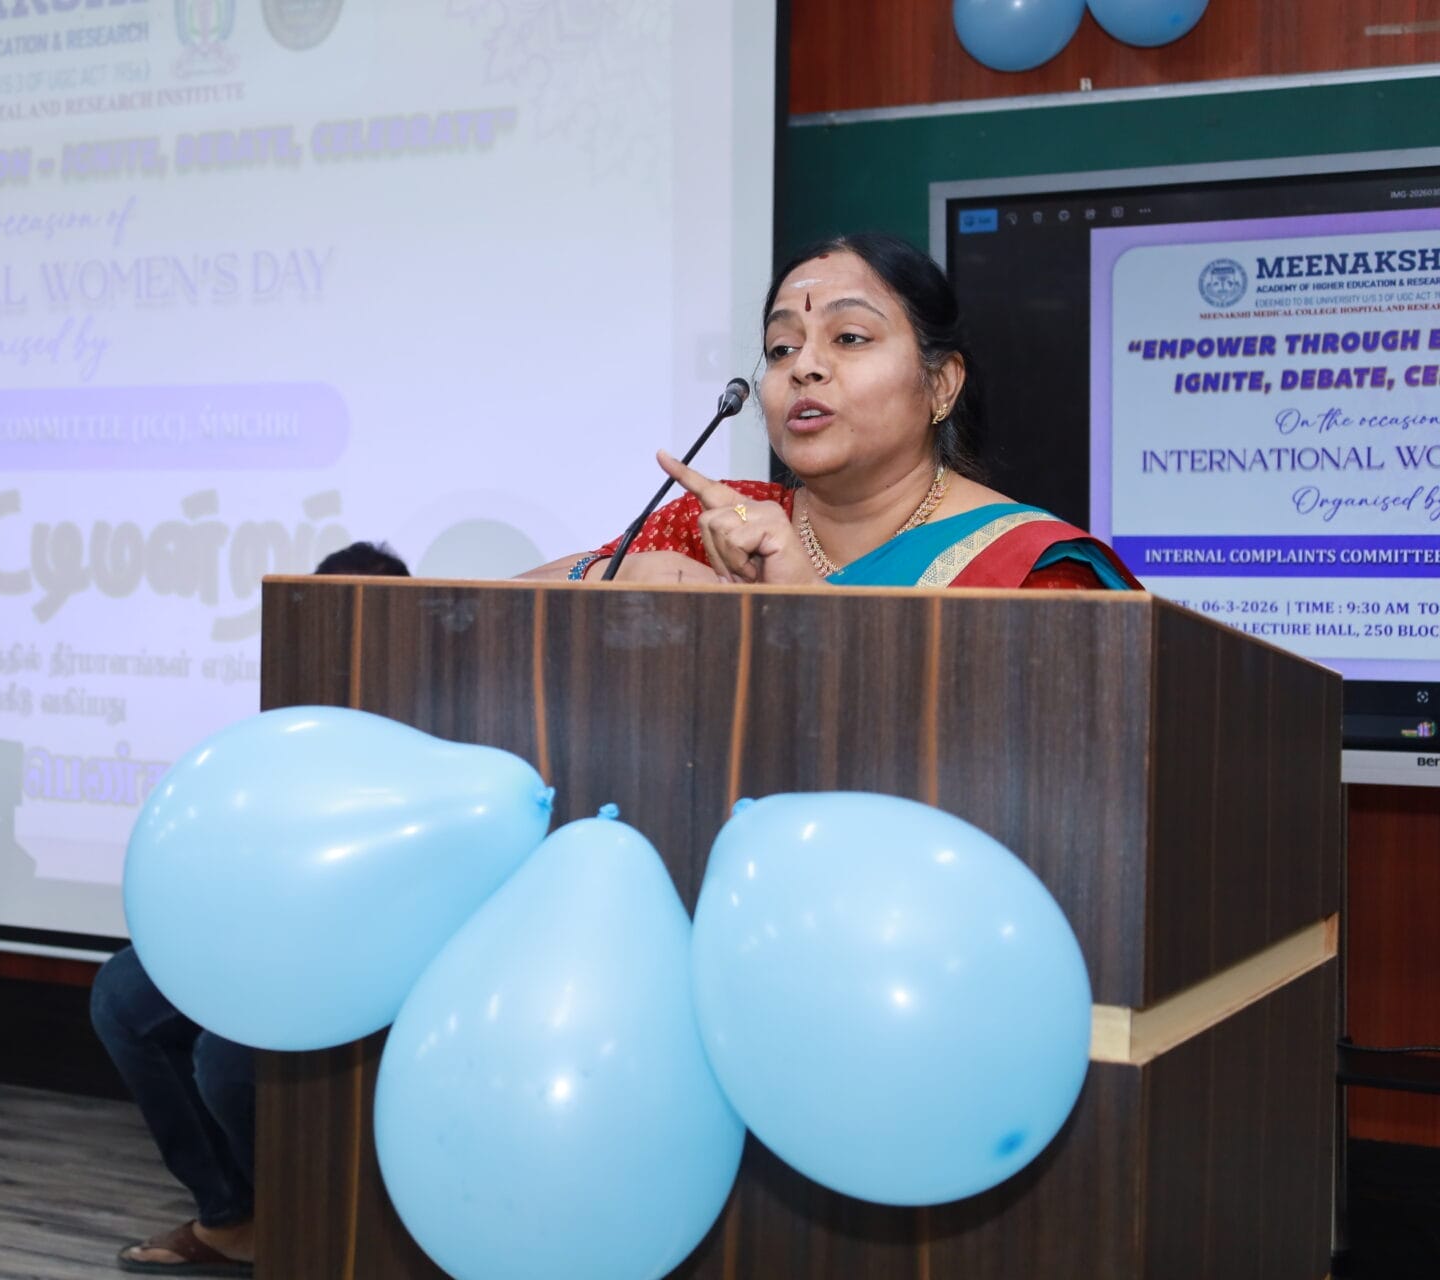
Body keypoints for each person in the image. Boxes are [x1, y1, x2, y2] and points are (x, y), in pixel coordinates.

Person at [94, 541, 410, 1276]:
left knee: (226, 1060)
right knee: (123, 996)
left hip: (362, 951)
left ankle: (305, 1224)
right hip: (267, 929)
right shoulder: (291, 720)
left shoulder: (420, 724)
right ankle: (231, 1215)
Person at [523, 233, 1138, 590]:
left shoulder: (1025, 567)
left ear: (942, 383)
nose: (804, 367)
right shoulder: (726, 523)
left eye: (849, 338)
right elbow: (490, 607)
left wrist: (808, 604)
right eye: (781, 349)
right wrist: (616, 576)